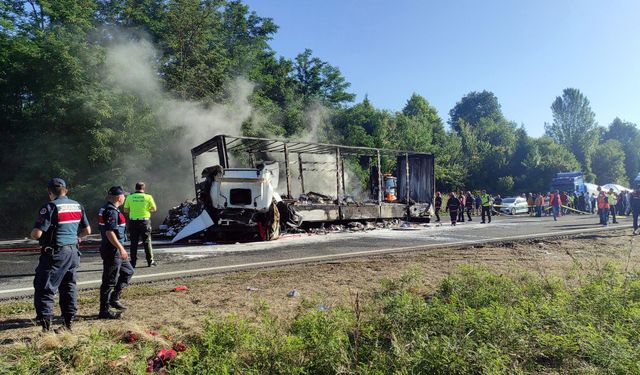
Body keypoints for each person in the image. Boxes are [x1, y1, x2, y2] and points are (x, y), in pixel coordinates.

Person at [31, 178, 91, 332]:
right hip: (73, 252)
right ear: (66, 190)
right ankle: (68, 324)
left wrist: (33, 233)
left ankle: (46, 330)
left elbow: (37, 234)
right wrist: (76, 237)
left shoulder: (50, 206)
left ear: (50, 192)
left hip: (55, 254)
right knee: (69, 287)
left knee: (45, 288)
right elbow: (87, 231)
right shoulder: (77, 205)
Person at [99, 186, 135, 319]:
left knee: (128, 271)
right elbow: (109, 232)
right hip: (112, 250)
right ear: (119, 197)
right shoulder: (111, 211)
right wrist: (121, 248)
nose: (125, 197)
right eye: (124, 195)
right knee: (109, 280)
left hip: (116, 249)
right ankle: (104, 311)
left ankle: (115, 298)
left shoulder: (110, 209)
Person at [124, 182, 158, 267]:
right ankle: (150, 261)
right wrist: (146, 209)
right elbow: (154, 209)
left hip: (133, 222)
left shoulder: (130, 197)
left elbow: (125, 210)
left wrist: (134, 210)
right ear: (144, 188)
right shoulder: (148, 197)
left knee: (133, 242)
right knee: (147, 241)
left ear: (135, 188)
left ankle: (133, 262)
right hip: (144, 222)